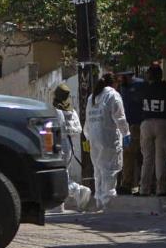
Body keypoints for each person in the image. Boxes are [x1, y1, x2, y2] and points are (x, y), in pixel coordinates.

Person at [83, 73, 130, 210]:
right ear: (114, 83)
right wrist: (126, 134)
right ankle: (108, 202)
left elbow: (87, 119)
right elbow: (120, 118)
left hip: (94, 138)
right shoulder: (113, 95)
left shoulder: (92, 97)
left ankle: (99, 200)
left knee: (98, 171)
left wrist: (87, 136)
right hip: (108, 139)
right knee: (110, 170)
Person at [139, 64, 166, 197]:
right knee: (160, 157)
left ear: (149, 76)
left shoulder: (143, 89)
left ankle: (144, 189)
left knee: (147, 158)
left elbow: (137, 105)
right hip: (163, 123)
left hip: (146, 124)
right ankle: (160, 189)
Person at [52, 83, 91, 212]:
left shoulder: (56, 110)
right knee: (63, 173)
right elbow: (78, 129)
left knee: (58, 174)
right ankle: (59, 204)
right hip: (69, 144)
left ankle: (77, 191)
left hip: (58, 144)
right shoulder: (71, 110)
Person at [117, 71, 144, 195]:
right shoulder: (123, 87)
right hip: (128, 127)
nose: (120, 79)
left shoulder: (140, 85)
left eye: (122, 76)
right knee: (128, 156)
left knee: (139, 156)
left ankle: (138, 184)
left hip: (139, 125)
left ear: (128, 76)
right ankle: (129, 184)